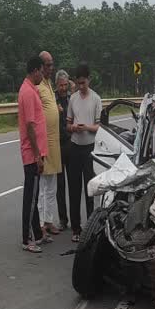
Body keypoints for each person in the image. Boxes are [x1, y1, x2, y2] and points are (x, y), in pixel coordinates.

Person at [66, 64, 102, 242]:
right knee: (73, 188)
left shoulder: (96, 99)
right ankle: (75, 228)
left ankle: (90, 226)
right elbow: (68, 124)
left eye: (83, 83)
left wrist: (86, 127)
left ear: (89, 79)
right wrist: (73, 128)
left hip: (90, 148)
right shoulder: (72, 99)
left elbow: (99, 127)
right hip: (75, 147)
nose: (81, 86)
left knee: (90, 189)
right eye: (78, 83)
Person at [18, 56, 48, 254]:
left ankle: (37, 233)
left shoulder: (32, 89)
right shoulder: (28, 92)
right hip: (32, 154)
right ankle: (27, 238)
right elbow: (29, 125)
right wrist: (37, 155)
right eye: (41, 71)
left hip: (37, 152)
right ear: (35, 70)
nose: (43, 75)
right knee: (30, 197)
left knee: (35, 195)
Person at [37, 51, 62, 241]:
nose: (50, 68)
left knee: (52, 185)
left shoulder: (48, 84)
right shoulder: (37, 86)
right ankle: (40, 225)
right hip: (44, 141)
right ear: (40, 66)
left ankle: (49, 220)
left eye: (52, 64)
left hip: (54, 141)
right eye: (47, 65)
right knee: (44, 186)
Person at [55, 70, 75, 230]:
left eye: (65, 85)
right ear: (56, 85)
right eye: (60, 85)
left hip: (71, 143)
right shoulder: (52, 98)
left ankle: (75, 219)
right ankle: (63, 219)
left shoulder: (71, 98)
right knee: (59, 185)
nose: (63, 88)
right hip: (57, 144)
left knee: (73, 183)